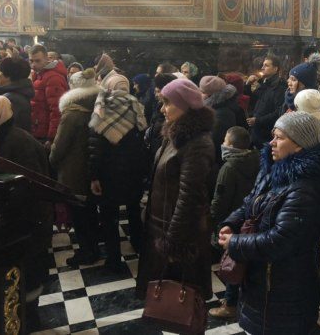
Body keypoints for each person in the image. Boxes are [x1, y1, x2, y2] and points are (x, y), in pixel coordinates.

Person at [218, 112, 320, 334]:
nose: (271, 142)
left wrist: (235, 242)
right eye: (273, 135)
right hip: (262, 280)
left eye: (279, 137)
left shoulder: (306, 189)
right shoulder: (273, 167)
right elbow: (250, 202)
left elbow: (280, 241)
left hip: (283, 288)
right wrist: (232, 223)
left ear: (299, 144)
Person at [0, 96, 52, 332]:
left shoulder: (19, 142)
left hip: (24, 223)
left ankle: (28, 318)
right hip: (3, 223)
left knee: (27, 273)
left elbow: (31, 187)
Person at [136, 78, 214, 302]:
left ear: (185, 106)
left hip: (179, 234)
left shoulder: (197, 143)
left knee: (177, 302)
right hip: (161, 227)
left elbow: (189, 197)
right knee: (159, 299)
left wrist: (173, 243)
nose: (162, 109)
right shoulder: (175, 134)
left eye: (167, 103)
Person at [88, 75, 148, 269]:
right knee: (133, 210)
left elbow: (95, 149)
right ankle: (138, 245)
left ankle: (113, 259)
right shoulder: (136, 106)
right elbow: (142, 142)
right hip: (133, 172)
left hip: (108, 174)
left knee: (109, 217)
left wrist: (94, 176)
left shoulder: (101, 108)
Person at [49, 69, 102, 266]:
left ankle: (87, 252)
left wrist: (51, 160)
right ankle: (94, 248)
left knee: (79, 215)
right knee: (90, 211)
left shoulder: (72, 114)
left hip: (73, 172)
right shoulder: (98, 106)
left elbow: (59, 148)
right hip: (93, 170)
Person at [208, 126, 260, 320]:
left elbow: (220, 199)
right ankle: (242, 298)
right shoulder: (257, 159)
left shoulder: (229, 168)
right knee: (245, 261)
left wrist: (212, 219)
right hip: (250, 219)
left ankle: (230, 304)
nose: (222, 144)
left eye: (224, 140)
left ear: (230, 145)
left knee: (232, 262)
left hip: (232, 219)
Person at [29, 44, 68, 147]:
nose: (33, 65)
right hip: (38, 129)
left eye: (37, 61)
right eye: (31, 61)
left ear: (47, 59)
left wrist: (51, 138)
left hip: (45, 134)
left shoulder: (53, 78)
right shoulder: (39, 75)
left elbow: (57, 109)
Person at [200, 75, 244, 164]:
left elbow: (216, 141)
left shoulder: (222, 113)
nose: (200, 95)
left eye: (202, 92)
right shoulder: (221, 105)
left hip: (219, 160)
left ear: (211, 95)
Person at [245, 56, 287, 148]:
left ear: (275, 69)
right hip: (257, 132)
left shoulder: (280, 88)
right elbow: (252, 100)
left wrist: (258, 120)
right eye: (263, 65)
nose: (262, 68)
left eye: (266, 65)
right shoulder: (264, 83)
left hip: (267, 135)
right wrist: (248, 85)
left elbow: (278, 112)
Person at [0, 56, 34, 132]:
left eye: (0, 72)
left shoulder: (10, 99)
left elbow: (1, 129)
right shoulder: (18, 93)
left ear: (8, 76)